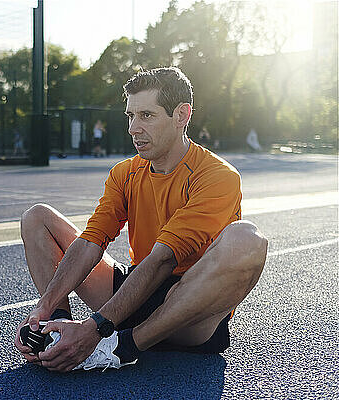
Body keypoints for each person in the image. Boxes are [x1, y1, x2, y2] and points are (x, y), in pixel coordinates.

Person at [14, 67, 268, 372]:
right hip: (132, 293)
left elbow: (164, 260)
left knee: (247, 239)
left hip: (187, 307)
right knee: (37, 217)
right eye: (130, 116)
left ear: (182, 116)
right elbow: (91, 241)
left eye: (146, 115)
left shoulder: (216, 176)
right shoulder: (125, 173)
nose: (134, 128)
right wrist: (45, 307)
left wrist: (96, 328)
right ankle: (57, 334)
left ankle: (121, 346)